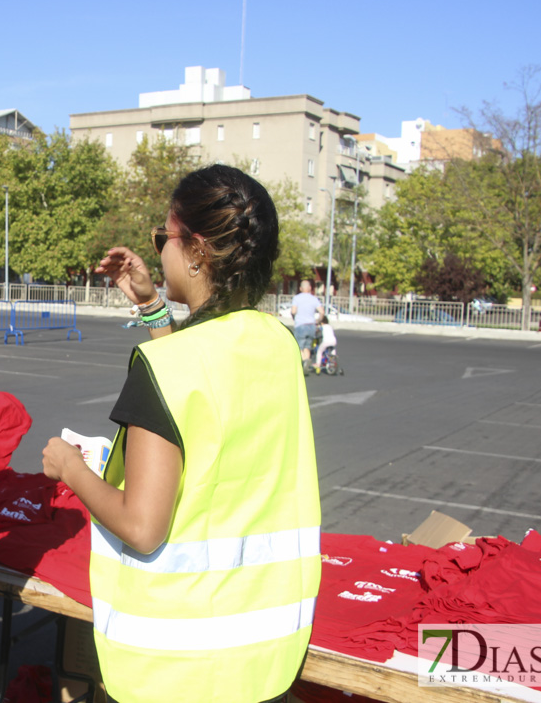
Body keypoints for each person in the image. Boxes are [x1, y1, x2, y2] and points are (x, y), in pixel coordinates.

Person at [42, 164, 321, 703]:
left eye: (162, 238)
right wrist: (152, 306)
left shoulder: (163, 366)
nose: (159, 252)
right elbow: (206, 388)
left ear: (195, 250)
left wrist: (70, 469)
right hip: (265, 646)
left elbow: (142, 526)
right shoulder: (278, 345)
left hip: (180, 662)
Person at [291, 278, 324, 370]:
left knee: (300, 346)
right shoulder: (314, 299)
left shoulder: (297, 298)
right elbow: (322, 312)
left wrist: (294, 318)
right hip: (311, 325)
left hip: (300, 324)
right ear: (309, 288)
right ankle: (307, 362)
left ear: (300, 288)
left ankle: (303, 364)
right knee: (307, 347)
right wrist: (318, 321)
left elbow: (293, 311)